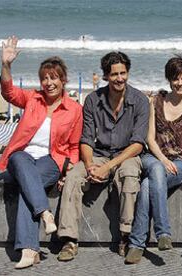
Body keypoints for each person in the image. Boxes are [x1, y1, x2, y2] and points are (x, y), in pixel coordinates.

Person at [0, 36, 83, 269]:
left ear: (63, 80)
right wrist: (6, 64)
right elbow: (7, 92)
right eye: (44, 78)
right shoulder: (32, 98)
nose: (48, 83)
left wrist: (69, 172)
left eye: (53, 78)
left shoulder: (74, 109)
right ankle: (44, 212)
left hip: (51, 161)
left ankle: (29, 250)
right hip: (22, 158)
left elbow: (74, 147)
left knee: (28, 186)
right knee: (18, 157)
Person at [57, 51, 149, 261]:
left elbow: (137, 144)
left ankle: (126, 235)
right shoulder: (92, 100)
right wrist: (89, 165)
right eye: (114, 74)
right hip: (98, 154)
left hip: (127, 154)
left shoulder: (140, 100)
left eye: (123, 73)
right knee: (73, 176)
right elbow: (87, 138)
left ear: (128, 73)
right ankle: (69, 239)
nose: (119, 78)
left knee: (129, 175)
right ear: (106, 76)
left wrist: (107, 168)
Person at [125, 55, 182, 264]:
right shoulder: (157, 100)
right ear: (169, 79)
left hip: (180, 161)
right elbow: (150, 138)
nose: (180, 83)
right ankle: (162, 232)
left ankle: (136, 244)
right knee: (157, 170)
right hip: (153, 156)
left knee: (147, 185)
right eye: (176, 79)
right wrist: (161, 159)